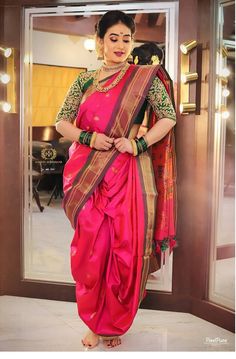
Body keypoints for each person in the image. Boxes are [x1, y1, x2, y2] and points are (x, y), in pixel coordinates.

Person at [55, 10, 177, 350]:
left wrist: (138, 143)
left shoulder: (145, 78)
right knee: (91, 250)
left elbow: (168, 117)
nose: (121, 45)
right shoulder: (84, 80)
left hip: (126, 177)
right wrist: (88, 138)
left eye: (127, 38)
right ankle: (93, 324)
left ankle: (114, 322)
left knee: (124, 250)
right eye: (114, 38)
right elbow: (61, 122)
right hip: (89, 174)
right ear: (100, 41)